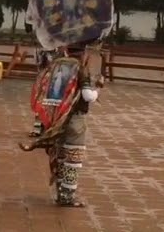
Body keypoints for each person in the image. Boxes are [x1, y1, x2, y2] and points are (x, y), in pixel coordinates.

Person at [20, 44, 105, 206]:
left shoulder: (56, 65)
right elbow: (88, 96)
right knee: (73, 157)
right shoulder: (80, 68)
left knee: (60, 154)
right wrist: (98, 88)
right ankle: (67, 195)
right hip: (74, 118)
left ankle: (60, 191)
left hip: (56, 117)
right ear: (83, 53)